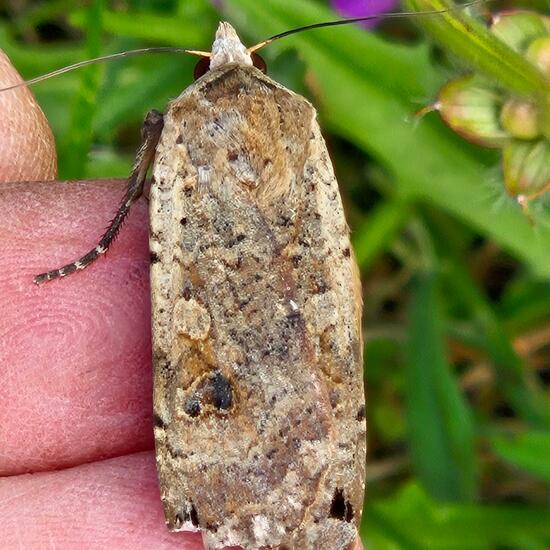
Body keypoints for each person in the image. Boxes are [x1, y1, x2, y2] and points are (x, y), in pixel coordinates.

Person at [0, 50, 363, 550]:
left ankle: (236, 491)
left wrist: (107, 238)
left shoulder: (181, 125)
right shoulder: (300, 122)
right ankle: (311, 490)